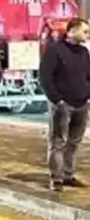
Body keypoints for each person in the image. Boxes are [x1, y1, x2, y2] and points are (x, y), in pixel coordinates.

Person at [38, 17, 90, 191]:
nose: (87, 35)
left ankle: (68, 174)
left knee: (74, 142)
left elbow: (88, 76)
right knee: (58, 142)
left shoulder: (83, 52)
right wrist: (56, 100)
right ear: (72, 31)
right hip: (62, 105)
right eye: (85, 31)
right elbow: (45, 77)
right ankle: (57, 178)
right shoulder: (55, 50)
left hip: (82, 104)